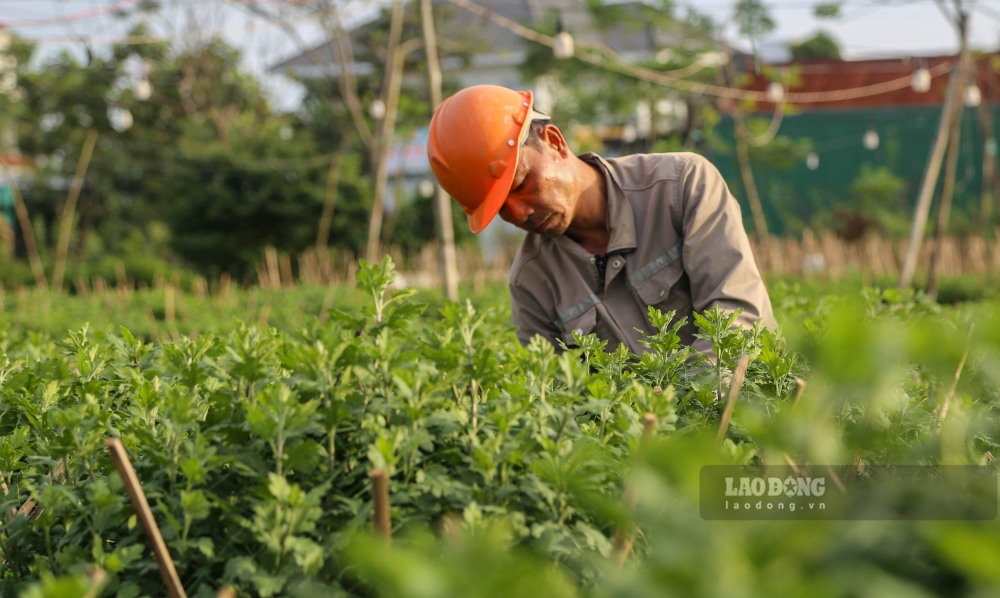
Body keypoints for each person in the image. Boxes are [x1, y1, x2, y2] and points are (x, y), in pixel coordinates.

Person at [426, 84, 776, 355]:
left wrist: (680, 417)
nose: (518, 213)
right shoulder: (532, 282)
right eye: (500, 208)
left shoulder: (681, 187)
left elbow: (737, 319)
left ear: (554, 141)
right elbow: (553, 399)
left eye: (520, 184)